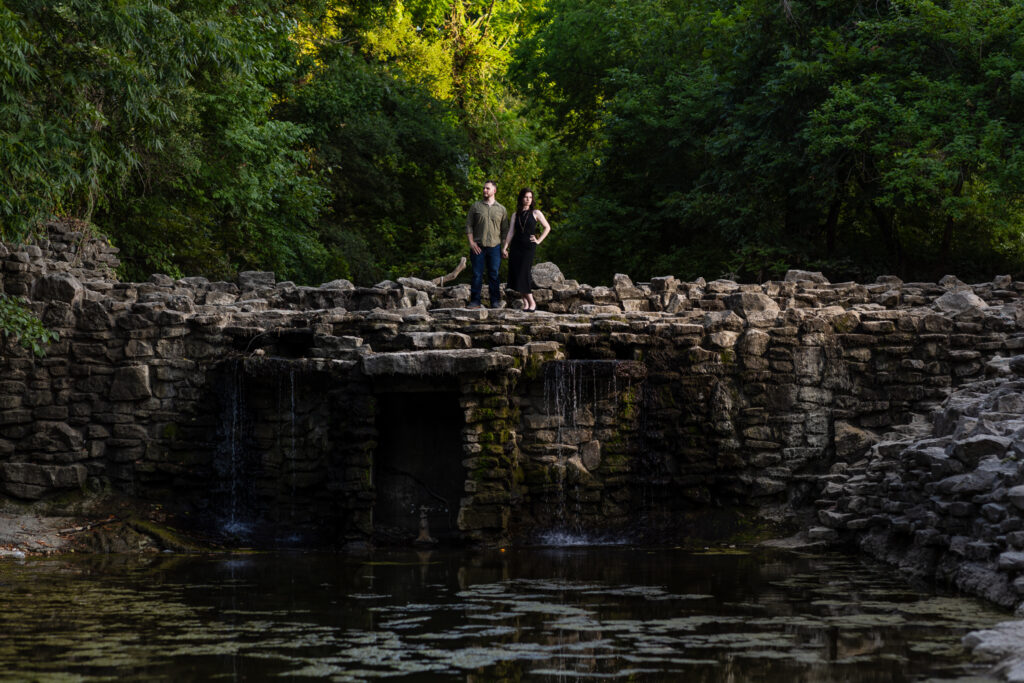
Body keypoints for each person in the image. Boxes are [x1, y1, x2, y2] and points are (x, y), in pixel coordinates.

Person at [501, 188, 551, 312]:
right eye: (525, 197)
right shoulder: (515, 214)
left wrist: (539, 240)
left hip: (528, 247)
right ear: (521, 198)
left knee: (524, 273)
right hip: (516, 246)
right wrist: (505, 247)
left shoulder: (536, 213)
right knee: (517, 274)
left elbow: (547, 227)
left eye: (530, 197)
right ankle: (526, 303)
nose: (528, 199)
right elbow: (511, 232)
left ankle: (532, 302)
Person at [465, 180, 508, 309]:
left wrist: (505, 248)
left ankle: (495, 301)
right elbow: (468, 225)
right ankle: (475, 301)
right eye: (484, 188)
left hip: (495, 247)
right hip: (478, 246)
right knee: (477, 274)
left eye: (487, 188)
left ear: (494, 191)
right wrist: (471, 243)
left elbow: (505, 231)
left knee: (494, 274)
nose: (485, 190)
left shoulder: (502, 209)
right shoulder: (475, 207)